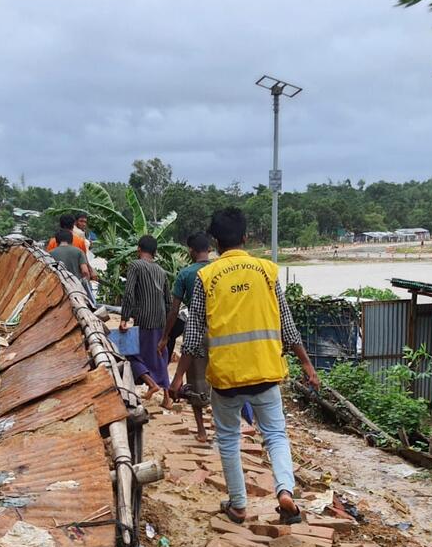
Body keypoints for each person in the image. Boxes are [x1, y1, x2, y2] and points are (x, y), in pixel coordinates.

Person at [170, 207, 319, 525]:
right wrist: (308, 365)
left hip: (226, 378)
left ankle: (238, 505)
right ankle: (285, 493)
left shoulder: (205, 277)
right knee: (276, 435)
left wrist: (178, 377)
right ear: (246, 237)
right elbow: (287, 326)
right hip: (265, 371)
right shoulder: (268, 271)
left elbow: (194, 337)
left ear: (215, 242)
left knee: (227, 438)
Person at [160, 231, 214, 441]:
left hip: (197, 329)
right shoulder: (218, 270)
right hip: (222, 329)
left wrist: (166, 336)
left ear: (191, 251)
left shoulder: (186, 274)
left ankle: (201, 430)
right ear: (209, 249)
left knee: (196, 380)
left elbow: (174, 310)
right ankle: (225, 426)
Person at [120, 234, 171, 405]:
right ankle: (167, 398)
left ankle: (151, 384)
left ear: (139, 249)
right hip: (161, 319)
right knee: (160, 355)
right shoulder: (161, 271)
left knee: (132, 353)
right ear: (154, 252)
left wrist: (124, 318)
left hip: (144, 318)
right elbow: (168, 301)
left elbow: (129, 293)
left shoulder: (135, 265)